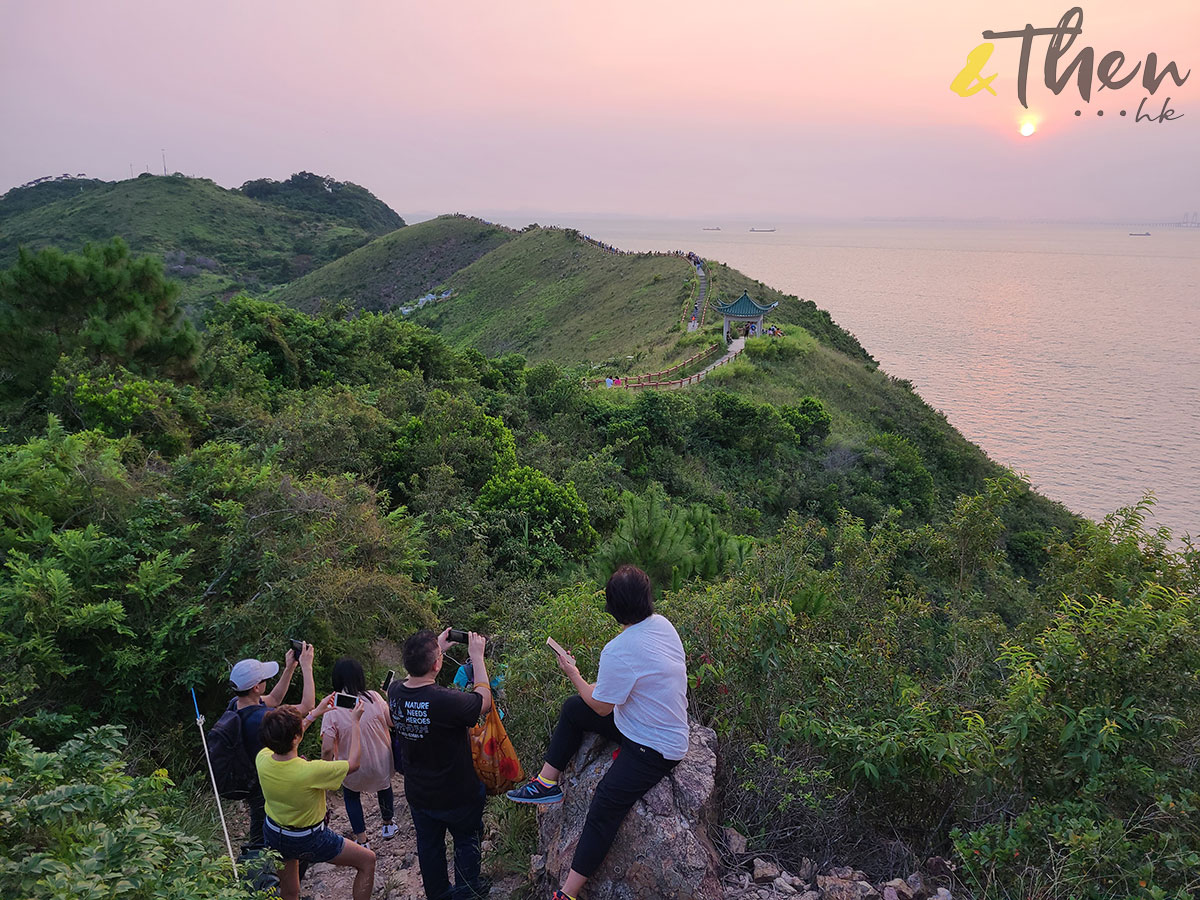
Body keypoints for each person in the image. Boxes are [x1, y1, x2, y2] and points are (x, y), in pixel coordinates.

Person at [506, 565, 689, 900]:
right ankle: (546, 783)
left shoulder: (619, 649)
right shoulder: (662, 625)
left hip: (656, 746)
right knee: (574, 708)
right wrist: (586, 685)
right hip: (644, 721)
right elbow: (609, 695)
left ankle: (567, 894)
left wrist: (573, 673)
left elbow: (602, 707)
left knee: (604, 803)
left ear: (613, 608)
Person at [389, 628, 492, 900]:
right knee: (466, 840)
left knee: (429, 846)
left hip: (420, 793)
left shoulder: (394, 691)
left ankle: (438, 894)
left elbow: (416, 673)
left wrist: (437, 650)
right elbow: (484, 701)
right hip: (457, 793)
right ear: (436, 664)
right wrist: (477, 657)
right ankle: (467, 891)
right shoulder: (446, 701)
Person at [257, 697, 377, 900]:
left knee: (290, 891)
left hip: (274, 831)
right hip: (309, 838)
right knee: (368, 860)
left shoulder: (262, 758)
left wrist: (314, 713)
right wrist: (355, 722)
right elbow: (354, 762)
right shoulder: (311, 771)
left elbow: (285, 738)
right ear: (296, 737)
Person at [228, 642, 315, 849]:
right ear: (256, 687)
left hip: (253, 775)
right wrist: (306, 666)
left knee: (260, 826)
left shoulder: (236, 704)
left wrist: (289, 668)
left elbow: (274, 698)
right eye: (264, 679)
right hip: (263, 783)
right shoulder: (263, 718)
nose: (267, 681)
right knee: (262, 834)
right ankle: (262, 875)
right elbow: (306, 706)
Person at [321, 657, 397, 847]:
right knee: (384, 787)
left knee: (351, 795)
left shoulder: (332, 709)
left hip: (353, 766)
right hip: (381, 761)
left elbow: (327, 748)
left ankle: (362, 840)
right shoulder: (374, 697)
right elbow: (392, 722)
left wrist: (326, 769)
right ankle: (387, 825)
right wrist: (389, 695)